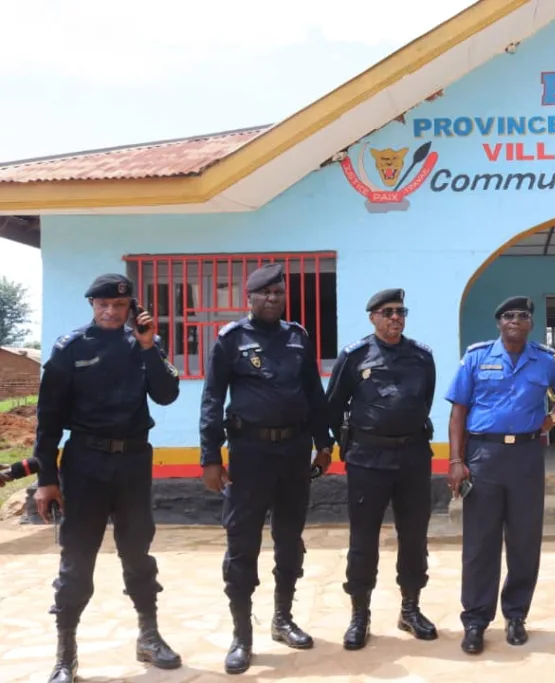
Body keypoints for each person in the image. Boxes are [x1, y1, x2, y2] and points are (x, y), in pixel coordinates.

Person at [32, 273, 182, 683]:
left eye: (119, 305)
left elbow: (167, 394)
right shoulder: (71, 349)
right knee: (77, 558)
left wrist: (150, 346)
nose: (111, 311)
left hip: (133, 463)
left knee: (137, 552)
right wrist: (46, 477)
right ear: (92, 306)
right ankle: (66, 654)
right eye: (103, 305)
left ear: (131, 306)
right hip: (85, 464)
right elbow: (47, 420)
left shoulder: (143, 344)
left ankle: (148, 636)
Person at [199, 263, 333, 675]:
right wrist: (210, 456)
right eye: (265, 293)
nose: (273, 299)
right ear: (250, 298)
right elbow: (211, 399)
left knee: (290, 540)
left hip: (294, 453)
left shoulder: (297, 337)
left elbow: (313, 391)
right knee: (242, 544)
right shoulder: (231, 340)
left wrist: (324, 442)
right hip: (249, 455)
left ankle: (283, 618)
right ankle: (242, 634)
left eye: (278, 293)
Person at [445, 295, 555, 654]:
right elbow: (458, 412)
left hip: (527, 456)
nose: (515, 320)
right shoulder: (477, 357)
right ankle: (475, 621)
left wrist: (552, 419)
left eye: (522, 315)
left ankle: (516, 615)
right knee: (479, 543)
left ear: (531, 323)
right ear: (498, 322)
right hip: (484, 455)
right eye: (508, 316)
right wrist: (456, 461)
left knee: (524, 540)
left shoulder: (548, 361)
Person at [325, 288, 438, 650]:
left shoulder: (421, 357)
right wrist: (350, 441)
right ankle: (360, 613)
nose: (395, 318)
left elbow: (425, 401)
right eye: (387, 312)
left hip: (412, 459)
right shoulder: (355, 356)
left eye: (401, 311)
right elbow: (332, 405)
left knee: (414, 537)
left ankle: (410, 608)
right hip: (368, 460)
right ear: (372, 316)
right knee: (363, 540)